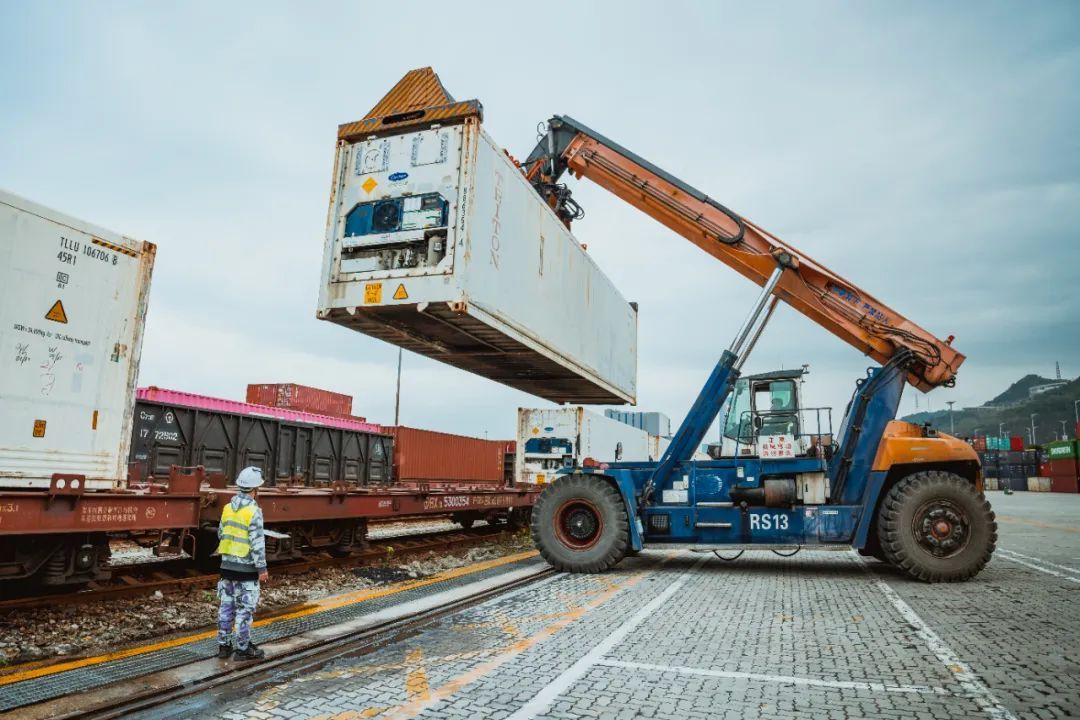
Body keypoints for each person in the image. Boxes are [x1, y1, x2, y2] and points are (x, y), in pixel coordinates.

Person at [215, 466, 269, 661]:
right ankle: (243, 649)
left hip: (226, 567)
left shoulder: (227, 508)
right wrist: (262, 568)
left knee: (226, 607)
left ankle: (223, 646)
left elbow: (221, 533)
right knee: (244, 610)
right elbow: (257, 543)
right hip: (246, 570)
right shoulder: (254, 511)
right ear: (255, 490)